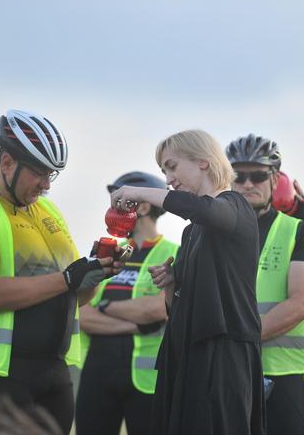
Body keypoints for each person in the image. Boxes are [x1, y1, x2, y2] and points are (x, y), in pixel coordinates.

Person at [0, 109, 120, 435]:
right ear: (8, 163)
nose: (45, 185)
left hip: (53, 370)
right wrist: (67, 278)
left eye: (51, 175)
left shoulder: (47, 210)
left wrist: (93, 275)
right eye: (39, 173)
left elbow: (74, 295)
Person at [109, 129, 265, 435]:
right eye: (164, 170)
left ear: (203, 162)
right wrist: (170, 283)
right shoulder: (191, 232)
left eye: (172, 166)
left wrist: (139, 193)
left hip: (226, 352)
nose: (168, 178)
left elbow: (203, 209)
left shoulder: (236, 206)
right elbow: (176, 309)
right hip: (186, 352)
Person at [225, 134, 304, 435]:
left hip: (282, 373)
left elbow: (301, 304)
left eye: (257, 176)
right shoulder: (211, 230)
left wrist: (239, 339)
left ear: (274, 179)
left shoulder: (299, 233)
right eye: (238, 176)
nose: (247, 184)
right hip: (226, 373)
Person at [75, 171, 179, 435]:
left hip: (147, 380)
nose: (112, 209)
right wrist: (137, 325)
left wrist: (106, 306)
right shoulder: (107, 250)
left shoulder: (173, 253)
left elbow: (159, 309)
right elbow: (82, 314)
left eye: (120, 201)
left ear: (143, 206)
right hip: (98, 375)